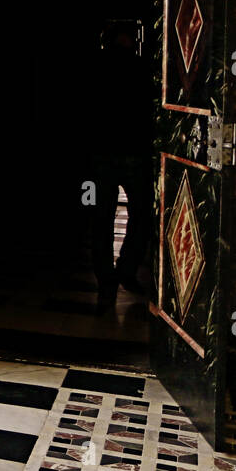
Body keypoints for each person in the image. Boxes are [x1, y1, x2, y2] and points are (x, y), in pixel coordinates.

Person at [88, 23, 154, 313]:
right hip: (131, 150)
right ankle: (124, 268)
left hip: (106, 150)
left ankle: (108, 276)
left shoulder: (98, 67)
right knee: (139, 214)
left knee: (102, 217)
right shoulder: (140, 68)